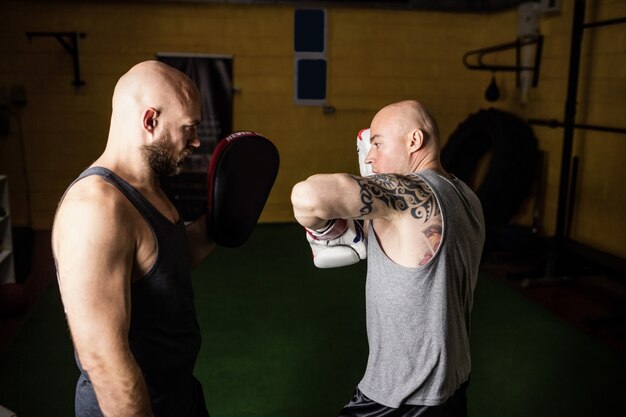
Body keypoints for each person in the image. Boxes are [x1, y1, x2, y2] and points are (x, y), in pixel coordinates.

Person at [291, 100, 485, 416]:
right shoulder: (465, 194)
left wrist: (324, 231)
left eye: (378, 143)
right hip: (452, 389)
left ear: (414, 141)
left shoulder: (411, 196)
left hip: (400, 398)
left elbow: (307, 197)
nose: (369, 156)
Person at [52, 60, 215, 416]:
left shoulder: (148, 187)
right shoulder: (96, 208)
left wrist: (217, 225)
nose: (196, 140)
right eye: (188, 128)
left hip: (179, 394)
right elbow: (103, 359)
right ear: (150, 121)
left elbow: (165, 262)